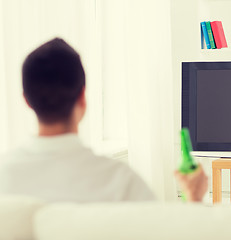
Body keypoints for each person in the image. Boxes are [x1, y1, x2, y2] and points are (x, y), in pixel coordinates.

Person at [0, 38, 208, 202]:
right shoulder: (122, 183)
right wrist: (194, 198)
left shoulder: (4, 177)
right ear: (83, 97)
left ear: (26, 101)